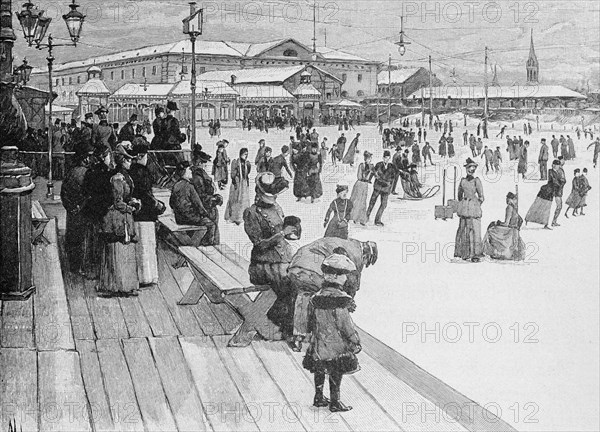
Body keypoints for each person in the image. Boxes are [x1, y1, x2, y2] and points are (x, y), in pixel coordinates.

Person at [243, 172, 298, 344]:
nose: (272, 198)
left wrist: (293, 231)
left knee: (299, 280)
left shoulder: (277, 208)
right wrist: (282, 234)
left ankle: (290, 325)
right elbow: (259, 244)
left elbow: (282, 233)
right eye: (269, 195)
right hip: (264, 263)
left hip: (283, 259)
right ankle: (286, 329)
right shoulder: (251, 213)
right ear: (258, 194)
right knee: (287, 286)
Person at [302, 252, 361, 413]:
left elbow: (309, 320)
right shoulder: (341, 300)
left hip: (319, 343)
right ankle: (335, 402)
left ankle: (319, 396)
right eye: (344, 275)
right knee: (336, 372)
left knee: (319, 369)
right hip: (337, 346)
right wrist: (354, 341)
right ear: (335, 276)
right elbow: (345, 325)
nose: (346, 278)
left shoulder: (316, 297)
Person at [97, 148, 141, 297]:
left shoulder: (123, 177)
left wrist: (132, 201)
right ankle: (117, 286)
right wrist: (130, 207)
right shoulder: (117, 178)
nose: (130, 163)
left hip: (123, 217)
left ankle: (124, 285)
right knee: (118, 250)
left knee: (123, 251)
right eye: (128, 160)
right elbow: (117, 203)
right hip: (117, 218)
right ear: (122, 161)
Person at [129, 143, 166, 287]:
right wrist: (157, 205)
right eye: (145, 156)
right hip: (145, 213)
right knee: (147, 245)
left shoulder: (132, 171)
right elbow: (146, 194)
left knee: (141, 246)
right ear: (140, 156)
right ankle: (147, 277)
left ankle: (141, 276)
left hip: (138, 213)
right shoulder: (142, 172)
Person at [81, 146, 115, 279]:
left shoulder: (90, 172)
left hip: (91, 210)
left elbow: (84, 191)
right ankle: (100, 271)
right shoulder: (106, 173)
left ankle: (89, 270)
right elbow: (109, 195)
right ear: (103, 157)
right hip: (101, 211)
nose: (109, 159)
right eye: (108, 156)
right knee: (99, 242)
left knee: (90, 241)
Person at [169, 161, 218, 246]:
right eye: (189, 170)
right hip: (190, 217)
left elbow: (171, 204)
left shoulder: (176, 185)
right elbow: (198, 205)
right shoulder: (190, 186)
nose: (191, 172)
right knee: (211, 225)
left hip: (179, 218)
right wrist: (205, 214)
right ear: (184, 172)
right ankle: (207, 246)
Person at [61, 146, 92, 274]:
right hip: (83, 211)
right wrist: (81, 206)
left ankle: (73, 266)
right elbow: (89, 195)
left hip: (72, 211)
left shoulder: (71, 172)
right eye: (88, 157)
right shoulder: (87, 173)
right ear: (84, 158)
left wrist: (71, 207)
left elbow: (63, 193)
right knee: (83, 239)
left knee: (73, 238)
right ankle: (81, 267)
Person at [454, 158, 485, 262]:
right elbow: (459, 195)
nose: (471, 170)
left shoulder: (477, 181)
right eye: (469, 168)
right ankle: (464, 253)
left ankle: (474, 254)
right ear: (466, 169)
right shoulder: (462, 181)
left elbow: (481, 197)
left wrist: (475, 204)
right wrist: (464, 203)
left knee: (473, 230)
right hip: (464, 208)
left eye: (473, 168)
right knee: (463, 228)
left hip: (473, 208)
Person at [191, 145, 222, 245]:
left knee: (214, 229)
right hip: (205, 209)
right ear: (200, 163)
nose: (207, 166)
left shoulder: (201, 174)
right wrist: (214, 199)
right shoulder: (197, 177)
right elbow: (200, 196)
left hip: (208, 207)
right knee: (211, 231)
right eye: (205, 163)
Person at [483, 192, 525, 261]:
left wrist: (497, 223)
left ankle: (496, 252)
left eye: (508, 199)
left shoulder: (509, 207)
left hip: (511, 230)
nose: (507, 200)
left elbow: (506, 224)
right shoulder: (515, 208)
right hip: (515, 230)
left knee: (491, 230)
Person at [525, 159, 565, 229]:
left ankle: (554, 221)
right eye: (554, 165)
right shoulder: (550, 171)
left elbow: (563, 181)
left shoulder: (561, 171)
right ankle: (544, 223)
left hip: (557, 191)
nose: (555, 166)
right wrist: (559, 182)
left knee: (559, 206)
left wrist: (560, 183)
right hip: (550, 191)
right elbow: (554, 181)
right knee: (545, 207)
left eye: (556, 165)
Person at [366, 150, 396, 226]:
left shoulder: (391, 166)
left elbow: (393, 178)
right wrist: (369, 180)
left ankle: (377, 220)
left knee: (384, 204)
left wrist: (390, 188)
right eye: (385, 158)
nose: (387, 159)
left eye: (388, 158)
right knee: (372, 202)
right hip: (378, 187)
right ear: (383, 158)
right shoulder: (378, 164)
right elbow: (373, 173)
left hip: (386, 189)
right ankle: (366, 216)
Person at [224, 148, 251, 225]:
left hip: (244, 183)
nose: (246, 156)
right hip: (237, 182)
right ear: (241, 154)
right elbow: (233, 173)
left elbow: (247, 173)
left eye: (247, 154)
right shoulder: (235, 162)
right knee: (235, 199)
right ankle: (233, 217)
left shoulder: (247, 163)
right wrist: (235, 181)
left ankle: (241, 217)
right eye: (244, 154)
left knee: (243, 200)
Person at [349, 152, 373, 225]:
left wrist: (370, 175)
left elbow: (372, 176)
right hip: (360, 184)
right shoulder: (361, 165)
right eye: (368, 158)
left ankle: (361, 218)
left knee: (363, 201)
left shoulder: (371, 166)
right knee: (356, 200)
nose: (369, 160)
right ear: (365, 159)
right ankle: (354, 217)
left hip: (365, 185)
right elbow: (359, 176)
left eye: (370, 159)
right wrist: (366, 176)